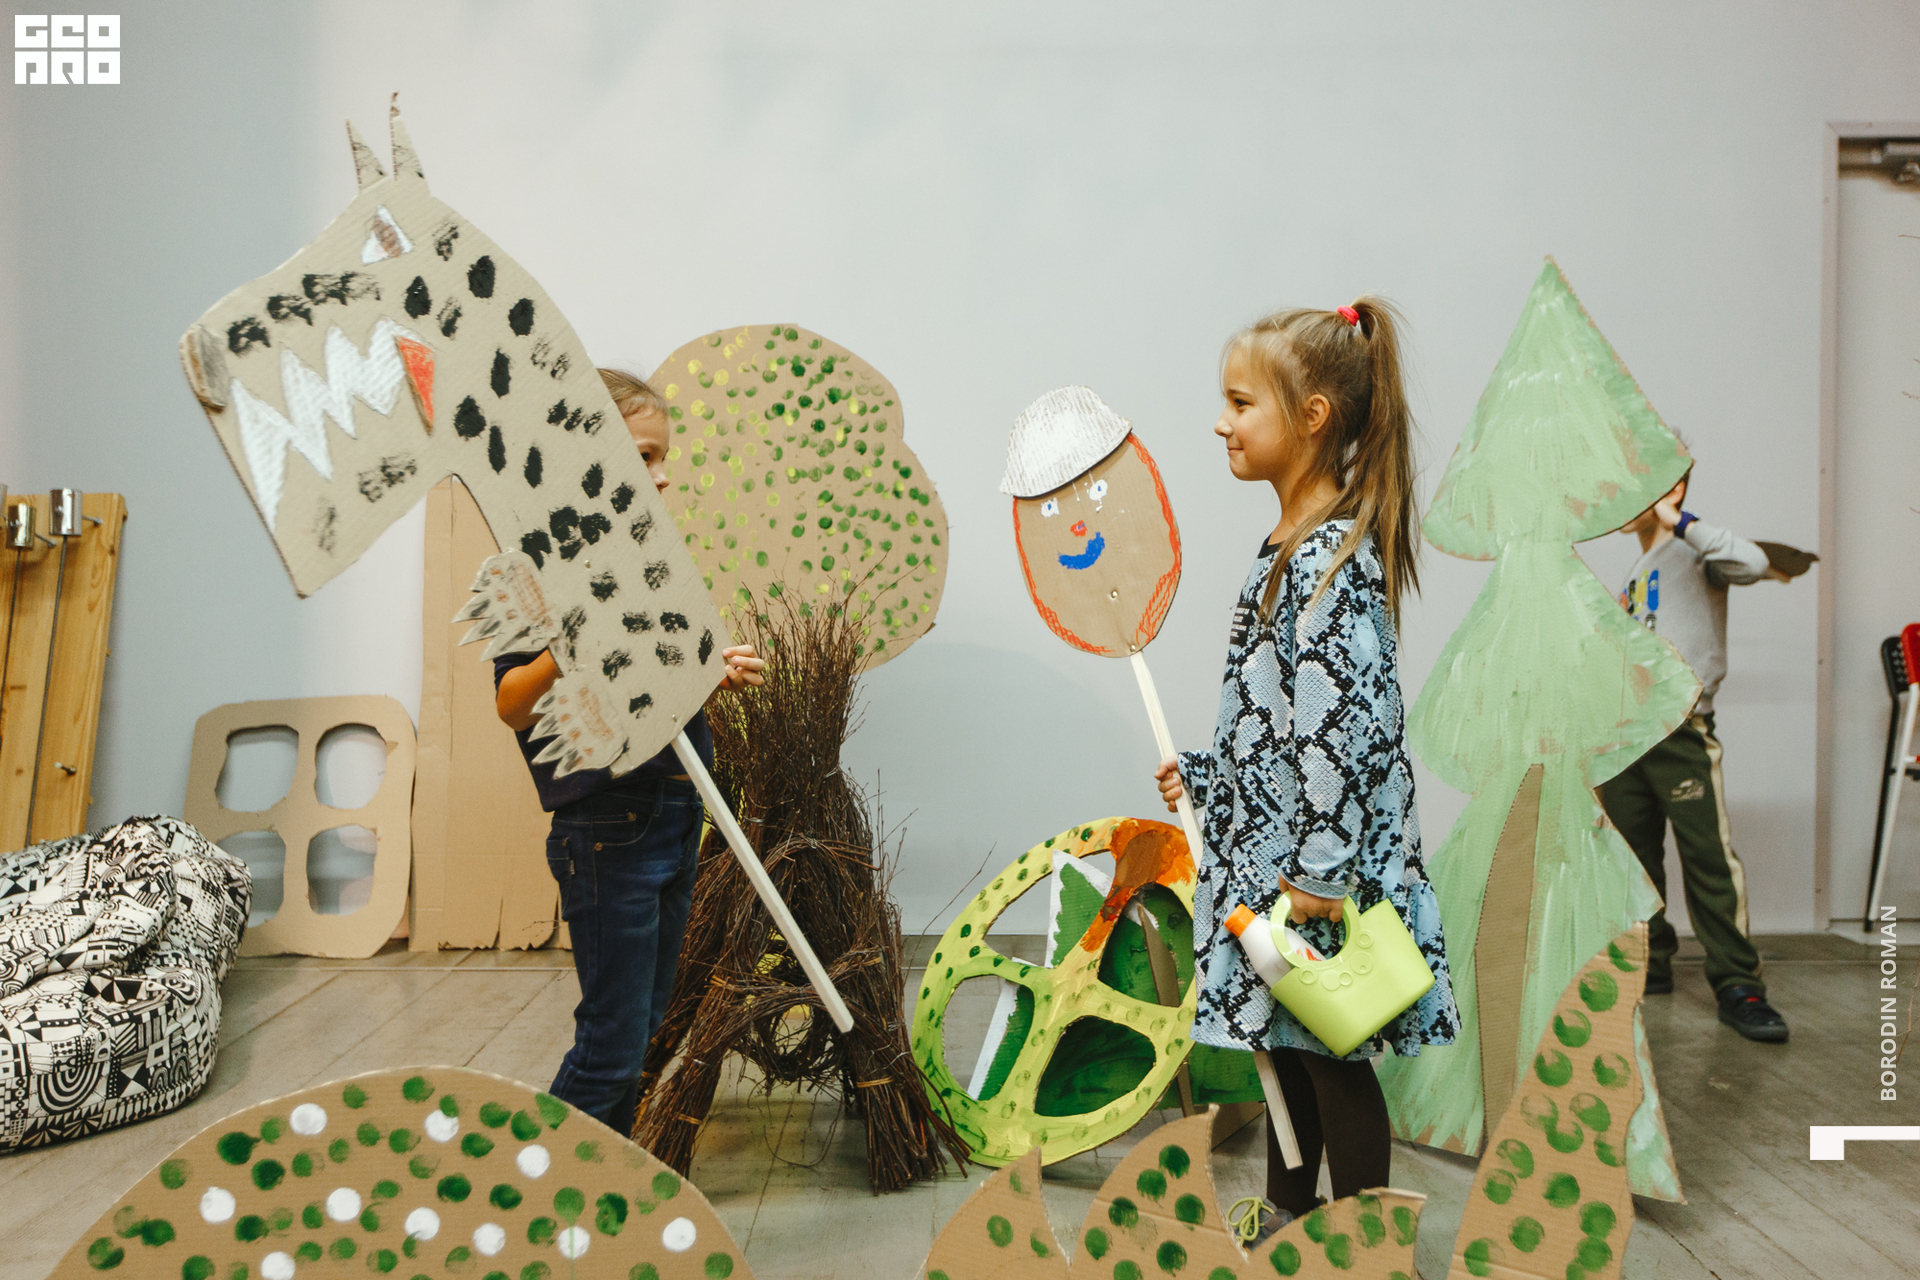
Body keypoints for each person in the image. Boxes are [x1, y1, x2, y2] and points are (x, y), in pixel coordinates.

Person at [1153, 300, 1457, 1238]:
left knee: (1331, 1053)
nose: (1222, 422)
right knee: (1285, 1051)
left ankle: (1367, 1243)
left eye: (1241, 403)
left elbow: (1346, 733)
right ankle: (1289, 1221)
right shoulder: (1290, 548)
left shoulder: (1330, 559)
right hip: (1278, 862)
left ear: (1313, 416)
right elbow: (1280, 719)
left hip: (1313, 876)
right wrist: (1210, 776)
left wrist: (1321, 873)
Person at [494, 368, 767, 1134]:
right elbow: (511, 702)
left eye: (662, 457)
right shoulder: (538, 566)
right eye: (646, 457)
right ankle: (533, 1183)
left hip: (677, 813)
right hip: (610, 827)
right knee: (610, 1046)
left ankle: (600, 1182)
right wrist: (568, 638)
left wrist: (711, 674)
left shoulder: (650, 560)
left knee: (643, 1029)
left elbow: (649, 685)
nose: (663, 475)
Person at [1599, 472, 1787, 1042]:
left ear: (1673, 489)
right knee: (1631, 859)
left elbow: (1754, 563)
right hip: (1628, 735)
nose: (1619, 500)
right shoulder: (1635, 572)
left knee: (1708, 857)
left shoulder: (1694, 550)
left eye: (1637, 484)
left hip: (1680, 731)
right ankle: (1649, 962)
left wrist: (1679, 520)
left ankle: (1739, 983)